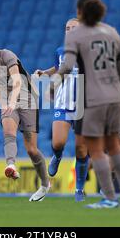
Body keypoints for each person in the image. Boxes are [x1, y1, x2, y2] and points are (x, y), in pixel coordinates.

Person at [56, 0, 120, 208]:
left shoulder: (76, 36)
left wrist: (52, 85)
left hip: (94, 98)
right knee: (114, 147)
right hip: (115, 96)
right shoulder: (112, 33)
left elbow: (68, 67)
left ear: (81, 13)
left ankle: (109, 198)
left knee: (96, 150)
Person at [0, 30, 50, 202]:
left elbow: (17, 81)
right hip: (9, 101)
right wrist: (4, 104)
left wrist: (12, 101)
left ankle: (45, 185)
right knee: (8, 130)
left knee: (31, 150)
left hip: (27, 99)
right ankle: (11, 165)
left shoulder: (7, 55)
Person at [34, 18, 89, 202]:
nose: (70, 31)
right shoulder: (60, 51)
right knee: (58, 143)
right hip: (63, 103)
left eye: (74, 28)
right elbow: (59, 68)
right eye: (67, 28)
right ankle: (57, 156)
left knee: (82, 150)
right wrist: (46, 73)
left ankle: (79, 189)